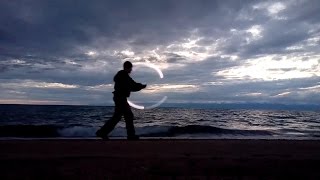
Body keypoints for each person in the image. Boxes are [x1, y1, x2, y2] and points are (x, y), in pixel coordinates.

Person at [96, 61, 147, 140]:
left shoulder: (123, 75)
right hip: (120, 98)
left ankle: (102, 132)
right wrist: (141, 86)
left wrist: (140, 86)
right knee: (128, 116)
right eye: (130, 68)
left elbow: (131, 86)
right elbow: (132, 85)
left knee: (117, 117)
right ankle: (130, 135)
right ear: (127, 67)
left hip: (119, 98)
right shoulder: (124, 76)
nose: (131, 70)